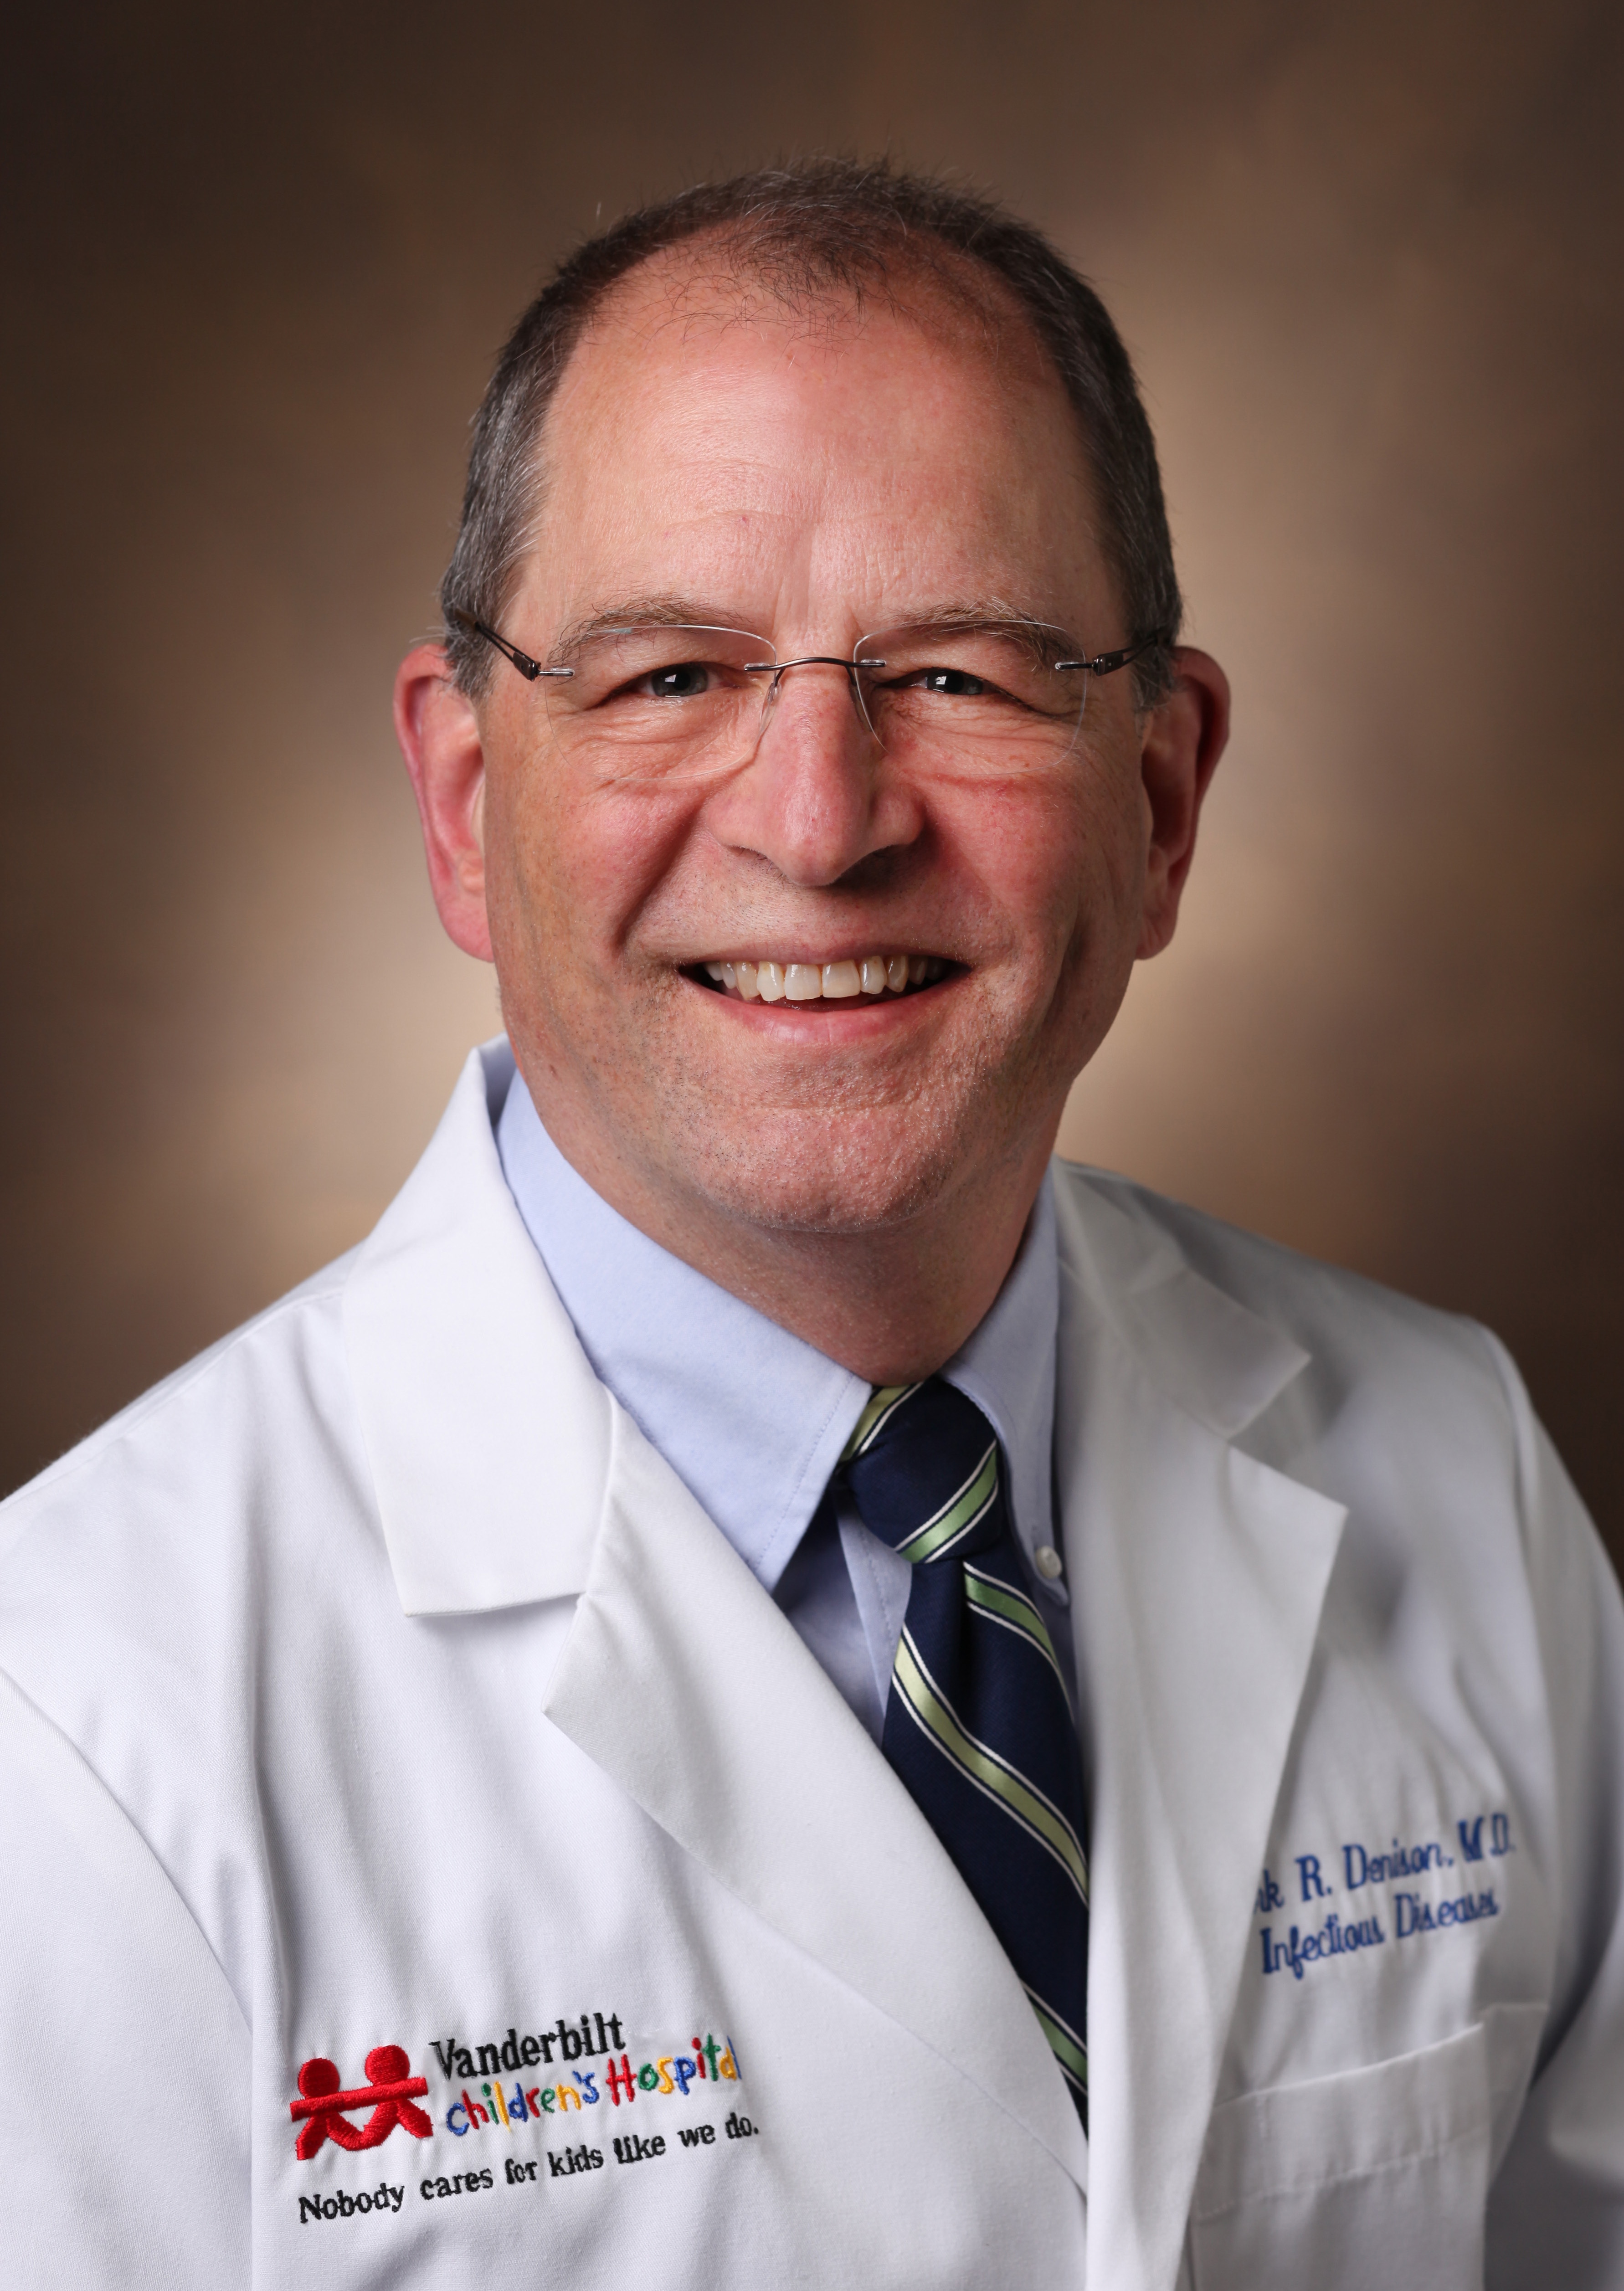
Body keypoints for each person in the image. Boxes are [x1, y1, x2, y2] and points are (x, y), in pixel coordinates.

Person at [0, 159, 1619, 2291]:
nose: (819, 821)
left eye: (960, 676)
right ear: (468, 809)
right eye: (672, 674)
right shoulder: (78, 1727)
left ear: (1160, 804)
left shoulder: (1456, 1468)